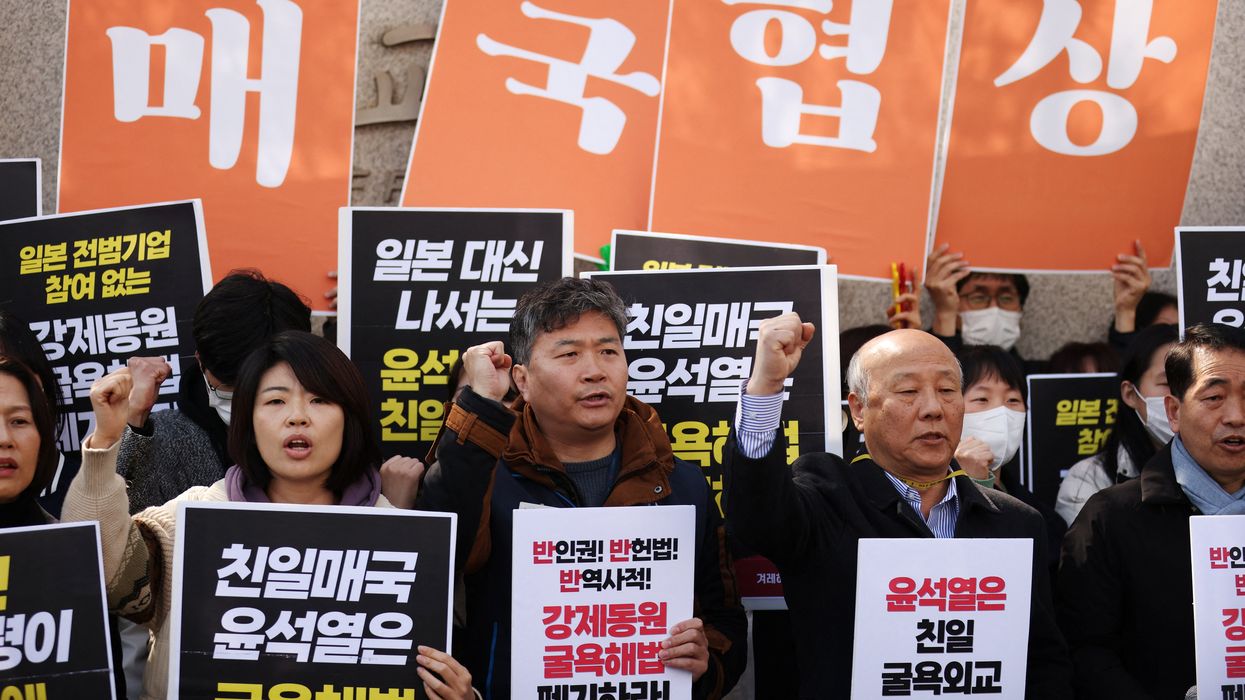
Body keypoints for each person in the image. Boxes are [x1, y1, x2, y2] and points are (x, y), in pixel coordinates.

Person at [62, 331, 473, 700]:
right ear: (247, 420)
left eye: (319, 400)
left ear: (350, 419)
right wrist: (104, 444)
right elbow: (101, 574)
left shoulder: (405, 539)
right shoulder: (190, 521)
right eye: (276, 401)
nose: (297, 416)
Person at [417, 277, 747, 700]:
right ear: (522, 380)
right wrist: (480, 403)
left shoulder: (681, 483)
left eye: (609, 351)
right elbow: (433, 571)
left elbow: (726, 621)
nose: (595, 371)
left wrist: (704, 662)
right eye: (569, 354)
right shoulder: (483, 476)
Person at [722, 318, 1071, 698]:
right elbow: (757, 518)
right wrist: (766, 387)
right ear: (858, 409)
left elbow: (1041, 660)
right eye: (908, 391)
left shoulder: (1016, 523)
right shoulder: (828, 498)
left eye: (948, 390)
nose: (933, 408)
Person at [1058, 322, 1245, 698]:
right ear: (1174, 411)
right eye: (1214, 397)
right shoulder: (1111, 518)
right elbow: (1085, 652)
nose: (1236, 416)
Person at [117, 269, 313, 513]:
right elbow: (119, 527)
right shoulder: (164, 441)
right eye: (232, 388)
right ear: (201, 361)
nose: (247, 402)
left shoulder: (328, 428)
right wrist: (134, 418)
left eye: (266, 390)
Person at [954, 345, 1067, 572]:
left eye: (1013, 400)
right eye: (982, 399)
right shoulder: (919, 497)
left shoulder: (1042, 517)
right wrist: (971, 487)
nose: (1001, 412)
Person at [1055, 323, 1178, 524]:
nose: (1180, 396)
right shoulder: (1090, 479)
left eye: (1192, 383)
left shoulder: (1226, 470)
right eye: (1167, 383)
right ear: (1130, 394)